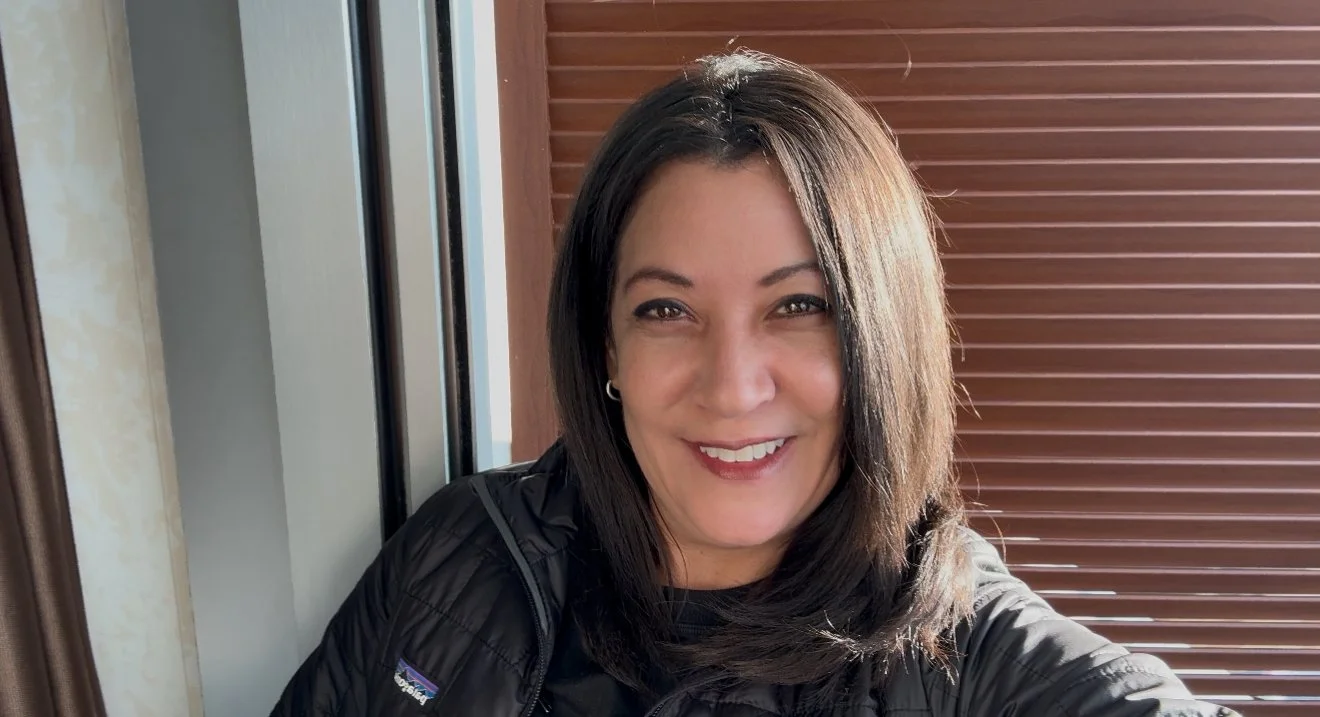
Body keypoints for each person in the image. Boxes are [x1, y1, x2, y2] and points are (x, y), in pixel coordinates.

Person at [269, 51, 1237, 716]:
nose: (732, 388)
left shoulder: (961, 658)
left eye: (798, 307)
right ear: (603, 344)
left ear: (876, 338)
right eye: (664, 310)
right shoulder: (464, 556)